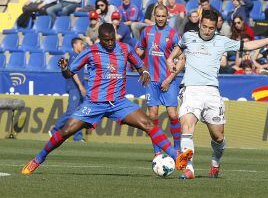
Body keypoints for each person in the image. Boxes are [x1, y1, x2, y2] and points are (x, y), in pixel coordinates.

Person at [21, 23, 192, 175]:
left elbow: (139, 65)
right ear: (99, 39)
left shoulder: (125, 49)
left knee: (148, 123)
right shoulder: (91, 52)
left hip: (119, 103)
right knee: (66, 131)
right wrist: (64, 68)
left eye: (111, 39)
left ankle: (176, 157)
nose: (109, 43)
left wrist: (145, 72)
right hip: (94, 103)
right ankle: (38, 159)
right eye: (105, 40)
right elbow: (69, 74)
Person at [167, 9, 268, 179]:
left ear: (216, 27)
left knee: (218, 137)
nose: (207, 31)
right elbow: (178, 49)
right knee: (187, 125)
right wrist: (171, 59)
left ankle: (215, 161)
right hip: (190, 89)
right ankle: (189, 168)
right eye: (204, 27)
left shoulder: (222, 41)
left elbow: (248, 46)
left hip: (211, 92)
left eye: (211, 28)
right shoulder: (188, 36)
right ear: (200, 23)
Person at [136, 5, 182, 156]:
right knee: (152, 116)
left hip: (169, 80)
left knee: (173, 115)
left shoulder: (174, 34)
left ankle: (177, 148)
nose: (160, 19)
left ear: (167, 16)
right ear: (154, 16)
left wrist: (169, 79)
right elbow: (139, 50)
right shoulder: (146, 32)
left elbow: (182, 59)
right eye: (158, 16)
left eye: (163, 16)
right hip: (151, 81)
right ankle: (157, 152)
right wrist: (138, 66)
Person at [48, 37, 86, 141]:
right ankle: (54, 130)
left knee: (78, 114)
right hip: (74, 87)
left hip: (78, 88)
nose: (82, 45)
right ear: (75, 45)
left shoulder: (79, 56)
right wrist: (81, 86)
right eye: (81, 43)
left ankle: (78, 137)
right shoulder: (74, 57)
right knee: (71, 112)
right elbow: (73, 74)